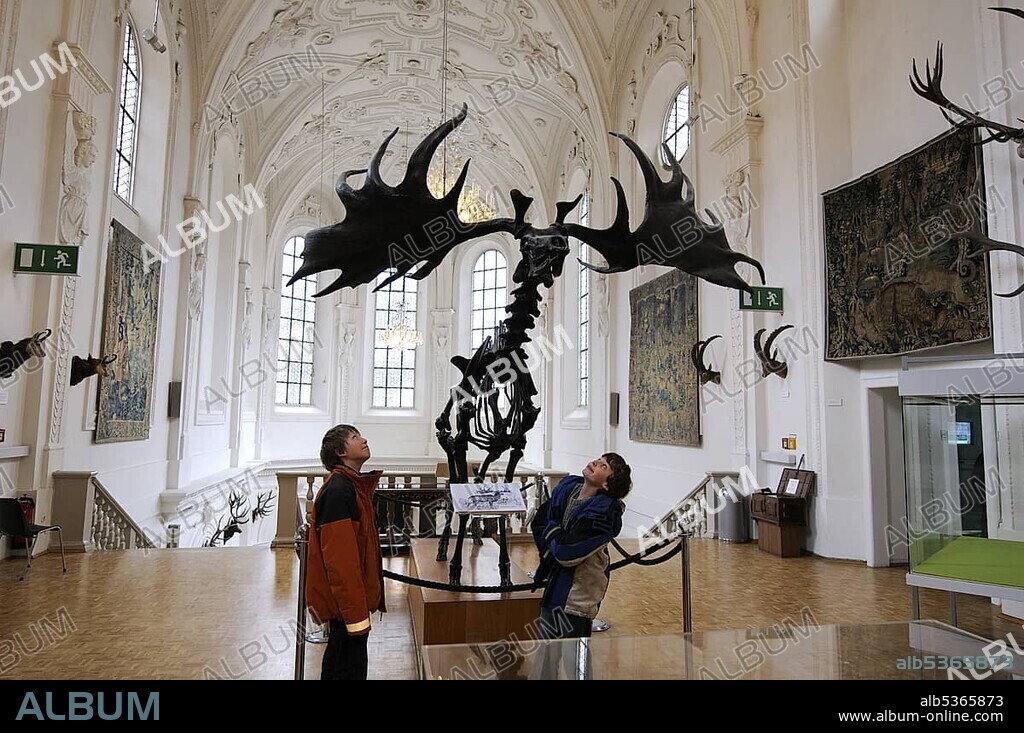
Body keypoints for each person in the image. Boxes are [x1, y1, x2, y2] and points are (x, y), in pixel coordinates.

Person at [530, 453, 632, 678]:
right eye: (598, 459)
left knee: (575, 661)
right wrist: (551, 551)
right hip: (554, 587)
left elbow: (567, 553)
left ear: (606, 484)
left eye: (603, 465)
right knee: (544, 655)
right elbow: (540, 522)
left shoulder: (603, 514)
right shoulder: (567, 489)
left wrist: (554, 532)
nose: (595, 462)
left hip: (577, 594)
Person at [305, 424, 385, 680]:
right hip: (346, 607)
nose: (363, 439)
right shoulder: (340, 491)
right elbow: (341, 562)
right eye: (354, 437)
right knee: (347, 668)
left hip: (348, 605)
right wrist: (356, 616)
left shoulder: (350, 487)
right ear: (340, 451)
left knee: (339, 661)